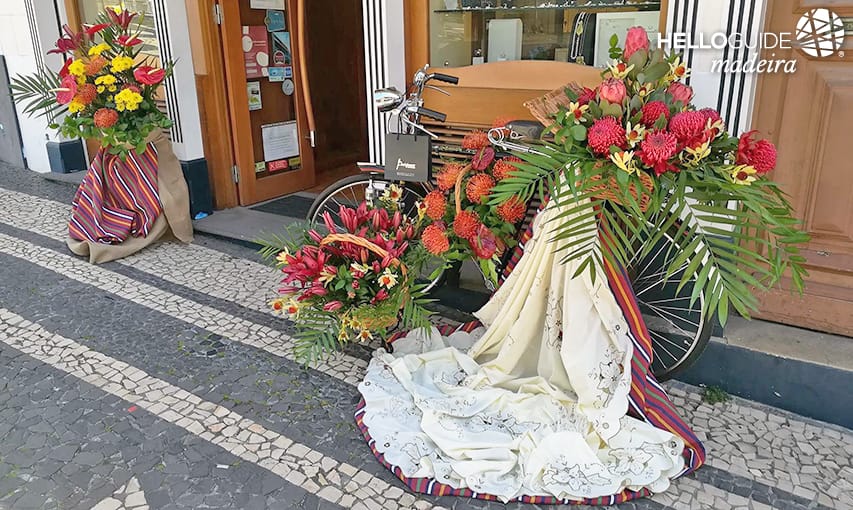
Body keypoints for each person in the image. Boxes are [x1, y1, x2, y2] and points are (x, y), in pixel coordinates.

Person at [355, 193, 705, 505]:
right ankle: (558, 349)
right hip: (578, 197)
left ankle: (568, 350)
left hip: (585, 200)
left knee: (578, 289)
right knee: (558, 290)